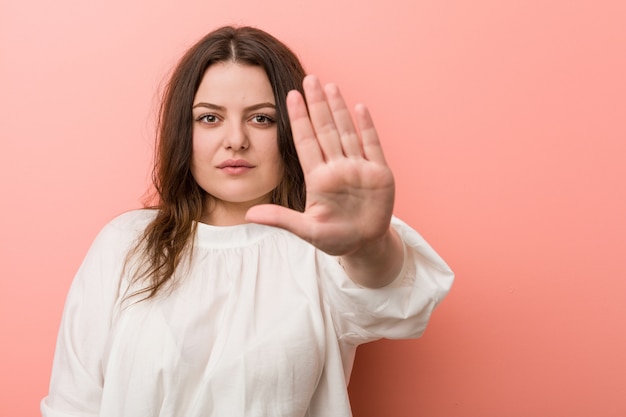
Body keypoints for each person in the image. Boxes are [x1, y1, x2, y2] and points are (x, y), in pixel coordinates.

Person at [41, 25, 454, 417]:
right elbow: (72, 403)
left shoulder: (325, 250)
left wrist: (368, 245)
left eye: (261, 118)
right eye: (209, 117)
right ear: (183, 132)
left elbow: (397, 303)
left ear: (290, 131)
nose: (236, 139)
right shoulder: (124, 243)